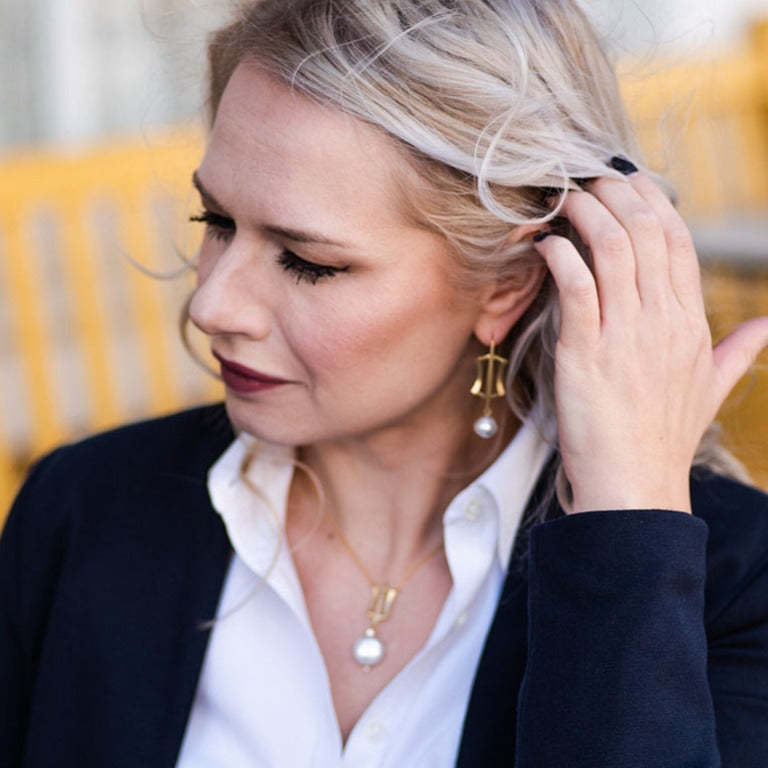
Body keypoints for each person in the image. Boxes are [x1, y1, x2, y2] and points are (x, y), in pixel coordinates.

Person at [3, 1, 768, 765]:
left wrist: (627, 530)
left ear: (507, 282)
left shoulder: (734, 587)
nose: (211, 304)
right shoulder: (82, 510)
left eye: (310, 262)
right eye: (217, 221)